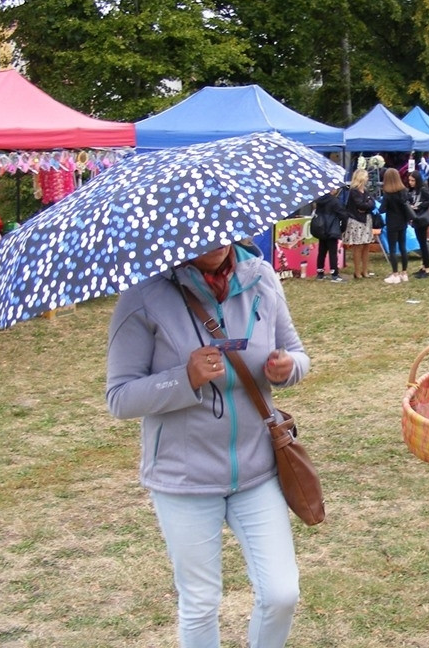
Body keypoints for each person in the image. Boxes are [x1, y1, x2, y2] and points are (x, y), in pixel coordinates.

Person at [106, 241, 310, 648]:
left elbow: (299, 355)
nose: (216, 242)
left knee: (282, 593)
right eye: (201, 236)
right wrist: (185, 378)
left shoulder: (262, 280)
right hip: (184, 478)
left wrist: (287, 368)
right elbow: (120, 397)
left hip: (257, 469)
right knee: (200, 602)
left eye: (223, 230)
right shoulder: (144, 296)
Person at [342, 168, 376, 279]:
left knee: (367, 245)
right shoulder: (354, 191)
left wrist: (367, 204)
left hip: (366, 220)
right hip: (356, 221)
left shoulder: (366, 191)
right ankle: (357, 271)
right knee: (358, 246)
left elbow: (372, 203)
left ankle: (365, 270)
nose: (367, 179)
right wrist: (366, 204)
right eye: (366, 176)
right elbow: (360, 205)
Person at [380, 167, 412, 283]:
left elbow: (382, 210)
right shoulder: (403, 191)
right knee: (403, 247)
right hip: (403, 222)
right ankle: (404, 272)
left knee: (392, 248)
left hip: (392, 222)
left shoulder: (388, 194)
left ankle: (395, 274)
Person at [312, 188, 349, 281]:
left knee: (321, 252)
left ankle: (320, 273)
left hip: (321, 229)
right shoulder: (335, 201)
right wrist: (342, 228)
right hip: (332, 229)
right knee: (333, 252)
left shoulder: (319, 200)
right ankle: (334, 274)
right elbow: (344, 216)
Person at [407, 170, 429, 278]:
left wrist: (420, 206)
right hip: (417, 219)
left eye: (413, 180)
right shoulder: (414, 191)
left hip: (422, 219)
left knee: (423, 244)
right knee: (421, 242)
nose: (410, 182)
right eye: (409, 180)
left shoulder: (423, 190)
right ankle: (424, 266)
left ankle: (427, 268)